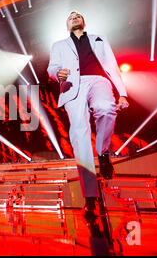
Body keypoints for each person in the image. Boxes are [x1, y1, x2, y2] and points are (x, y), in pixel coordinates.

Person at [47, 11, 129, 215]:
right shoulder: (59, 45)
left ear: (84, 21)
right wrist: (57, 73)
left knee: (106, 108)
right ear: (67, 25)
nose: (74, 16)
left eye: (78, 15)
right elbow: (52, 67)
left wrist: (123, 93)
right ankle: (90, 196)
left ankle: (102, 153)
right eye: (70, 16)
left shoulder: (99, 38)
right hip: (72, 85)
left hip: (98, 80)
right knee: (79, 135)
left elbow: (111, 65)